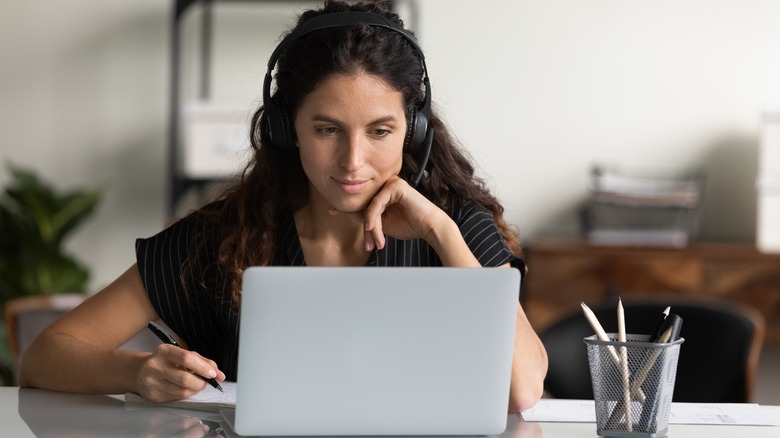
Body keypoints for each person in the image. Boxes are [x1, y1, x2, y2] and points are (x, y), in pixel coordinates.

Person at [19, 0, 548, 413]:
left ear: (414, 130)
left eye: (380, 131)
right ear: (285, 127)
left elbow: (522, 389)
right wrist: (135, 372)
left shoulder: (454, 224)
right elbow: (44, 355)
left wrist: (440, 232)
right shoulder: (224, 236)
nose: (353, 161)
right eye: (327, 130)